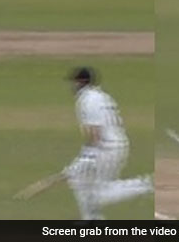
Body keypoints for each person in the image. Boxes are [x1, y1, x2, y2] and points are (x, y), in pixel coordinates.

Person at [63, 67, 152, 220]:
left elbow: (95, 134)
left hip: (107, 148)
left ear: (81, 82)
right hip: (112, 145)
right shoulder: (100, 96)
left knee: (97, 193)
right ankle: (92, 219)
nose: (72, 85)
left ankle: (144, 185)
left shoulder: (87, 100)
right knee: (79, 181)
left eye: (74, 82)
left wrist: (85, 158)